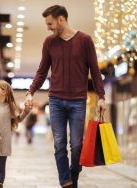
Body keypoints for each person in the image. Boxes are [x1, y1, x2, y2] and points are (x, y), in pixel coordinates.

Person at [25, 5, 106, 188]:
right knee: (59, 144)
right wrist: (30, 91)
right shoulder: (49, 42)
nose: (49, 27)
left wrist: (101, 97)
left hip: (78, 101)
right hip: (56, 101)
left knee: (77, 145)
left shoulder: (85, 40)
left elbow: (94, 70)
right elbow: (42, 72)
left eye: (51, 23)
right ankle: (66, 182)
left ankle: (74, 176)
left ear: (61, 19)